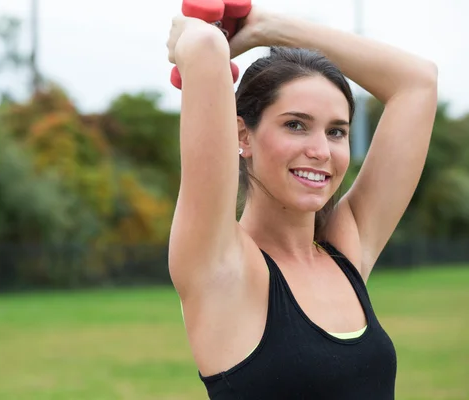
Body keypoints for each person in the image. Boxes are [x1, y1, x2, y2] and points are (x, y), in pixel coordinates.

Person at [165, 5, 437, 400]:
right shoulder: (221, 266)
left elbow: (418, 82)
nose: (320, 151)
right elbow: (206, 45)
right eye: (296, 125)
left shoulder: (345, 252)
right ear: (242, 135)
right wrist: (196, 40)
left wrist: (266, 27)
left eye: (336, 132)